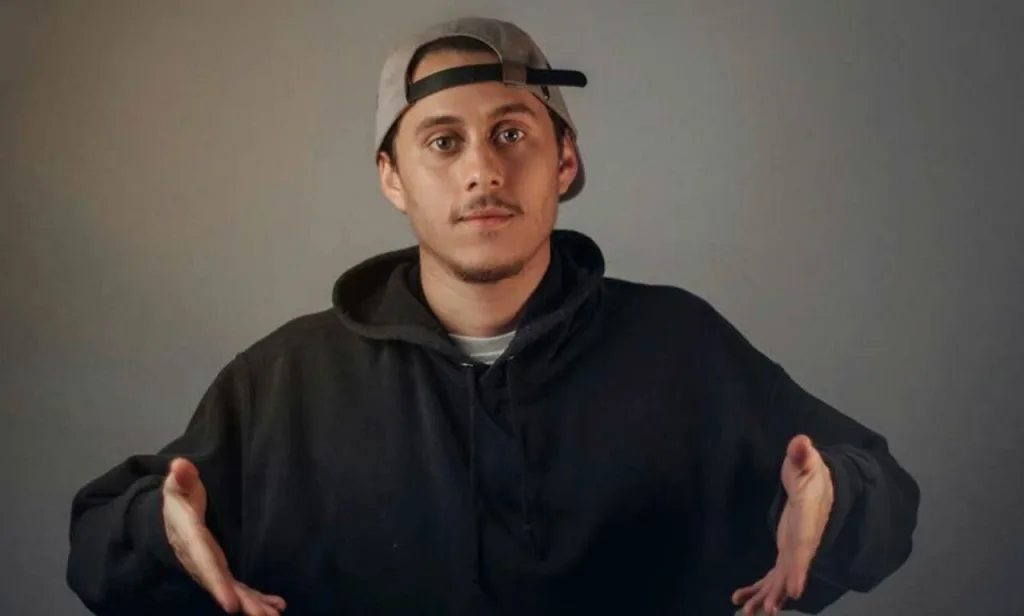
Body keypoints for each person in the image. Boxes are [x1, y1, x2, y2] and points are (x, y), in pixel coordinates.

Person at [65, 16, 920, 616]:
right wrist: (158, 530)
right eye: (443, 142)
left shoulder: (680, 349)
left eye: (512, 134)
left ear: (565, 160)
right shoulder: (285, 381)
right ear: (393, 178)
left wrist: (839, 499)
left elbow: (874, 490)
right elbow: (102, 543)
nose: (482, 171)